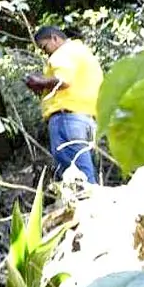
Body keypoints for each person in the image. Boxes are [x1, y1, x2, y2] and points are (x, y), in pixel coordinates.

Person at [24, 26, 103, 184]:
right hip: (87, 120)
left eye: (44, 47)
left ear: (54, 38)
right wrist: (42, 87)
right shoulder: (82, 52)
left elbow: (63, 80)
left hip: (67, 119)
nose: (45, 52)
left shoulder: (63, 53)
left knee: (77, 177)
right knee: (86, 171)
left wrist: (40, 81)